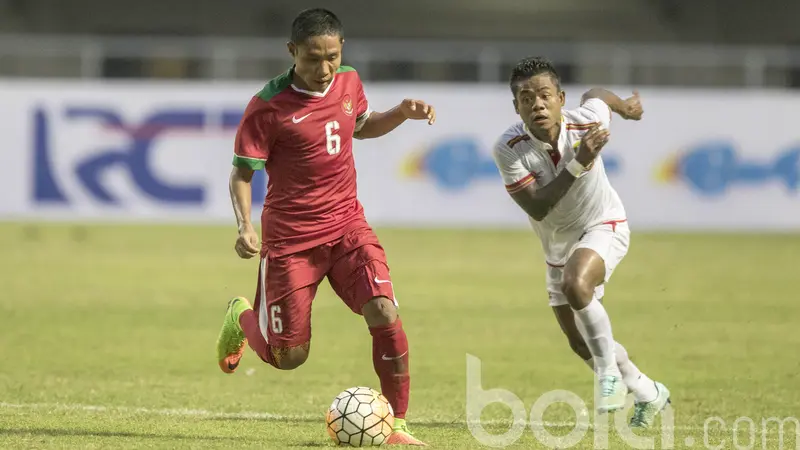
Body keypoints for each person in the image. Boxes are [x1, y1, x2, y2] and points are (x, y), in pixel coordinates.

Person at [215, 8, 433, 445]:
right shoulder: (267, 107)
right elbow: (242, 173)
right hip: (292, 242)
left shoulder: (349, 81)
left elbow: (362, 126)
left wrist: (400, 113)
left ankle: (398, 424)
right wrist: (244, 226)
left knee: (385, 312)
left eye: (332, 56)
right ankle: (242, 314)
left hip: (348, 227)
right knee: (289, 357)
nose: (324, 68)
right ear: (292, 52)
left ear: (342, 49)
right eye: (313, 58)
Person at [491, 56, 671, 428]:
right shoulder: (509, 147)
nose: (537, 104)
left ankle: (608, 376)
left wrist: (626, 108)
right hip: (557, 243)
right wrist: (580, 161)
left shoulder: (585, 120)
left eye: (544, 95)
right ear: (516, 106)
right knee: (578, 341)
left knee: (576, 284)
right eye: (526, 98)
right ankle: (647, 391)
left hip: (604, 224)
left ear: (560, 98)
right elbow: (538, 208)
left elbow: (598, 96)